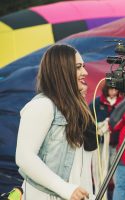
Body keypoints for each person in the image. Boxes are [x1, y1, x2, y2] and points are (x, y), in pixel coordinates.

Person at [15, 44, 98, 200]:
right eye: (78, 67)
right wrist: (65, 189)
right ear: (62, 71)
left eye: (83, 67)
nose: (85, 72)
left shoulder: (77, 110)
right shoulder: (42, 106)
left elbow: (83, 166)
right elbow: (24, 157)